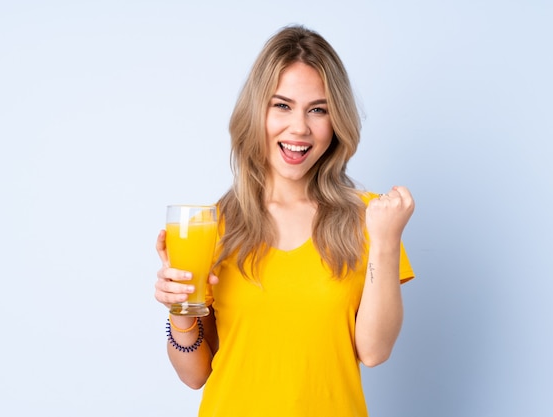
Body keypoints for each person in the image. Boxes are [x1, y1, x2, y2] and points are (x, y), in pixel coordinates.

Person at [154, 25, 415, 417]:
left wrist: (385, 242)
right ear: (256, 112)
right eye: (282, 105)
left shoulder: (372, 218)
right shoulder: (213, 226)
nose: (299, 128)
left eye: (318, 109)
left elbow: (374, 351)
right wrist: (180, 310)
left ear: (336, 120)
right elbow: (194, 374)